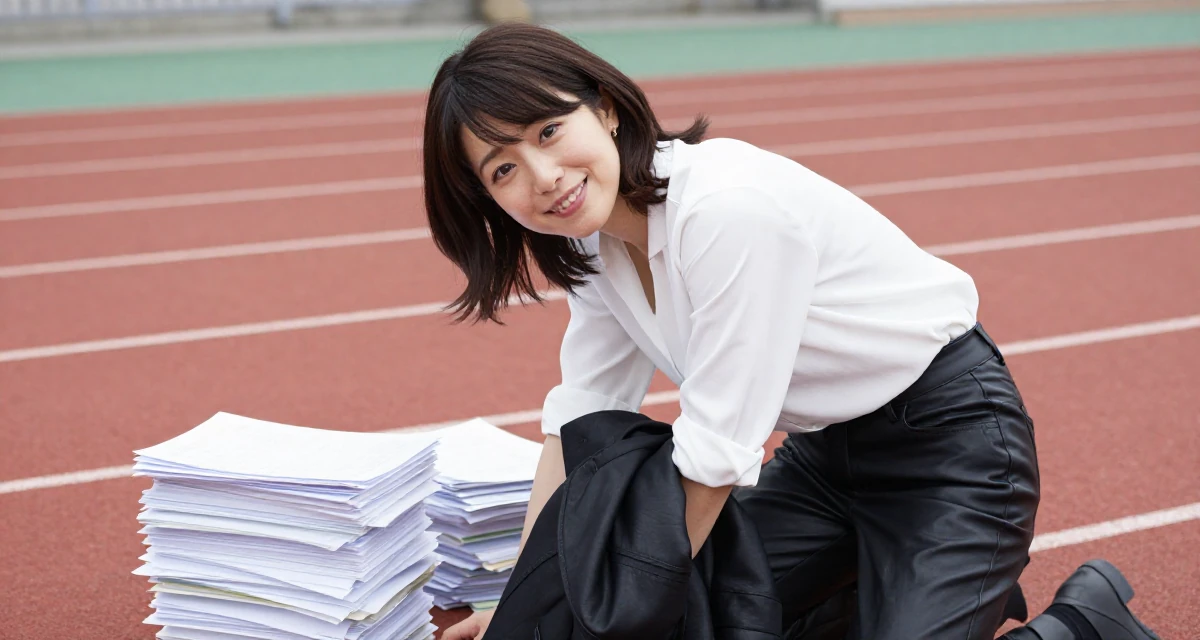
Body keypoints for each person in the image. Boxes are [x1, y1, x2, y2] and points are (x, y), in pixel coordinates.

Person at [422, 22, 1161, 640]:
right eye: (503, 169)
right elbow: (580, 420)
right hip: (822, 464)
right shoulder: (593, 242)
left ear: (607, 108)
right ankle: (900, 596)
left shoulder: (724, 211)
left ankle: (1076, 623)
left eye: (550, 131)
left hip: (953, 448)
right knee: (702, 621)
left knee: (649, 614)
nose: (544, 174)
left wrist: (586, 622)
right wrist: (521, 608)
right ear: (487, 199)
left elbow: (712, 454)